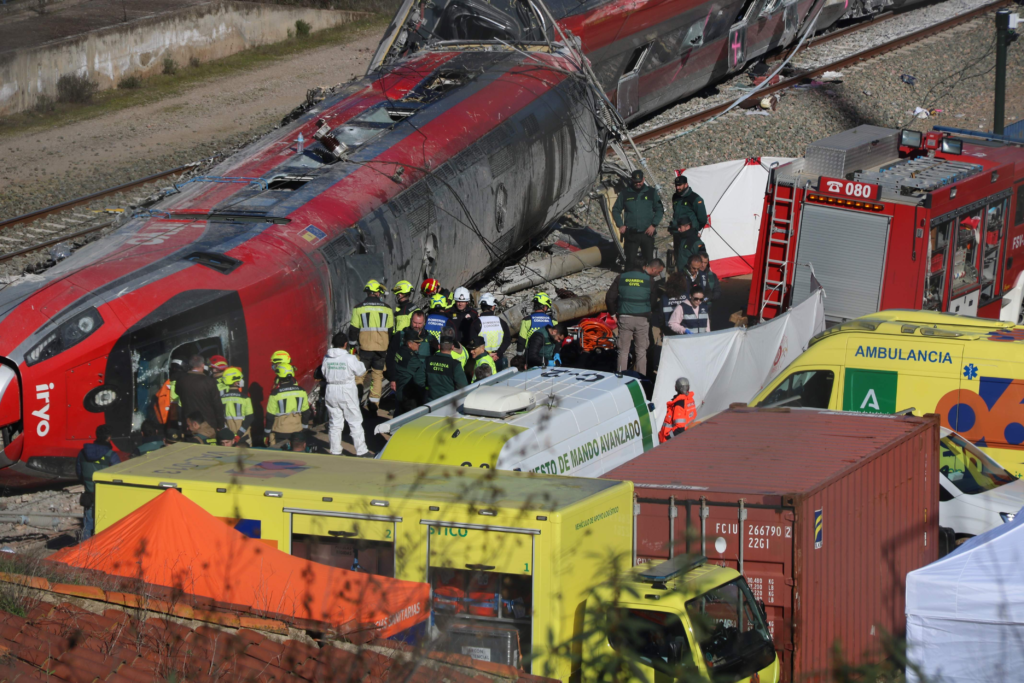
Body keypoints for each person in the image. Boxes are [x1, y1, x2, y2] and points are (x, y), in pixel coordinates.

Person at [606, 258, 664, 375]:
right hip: (642, 319)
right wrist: (648, 311)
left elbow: (609, 298)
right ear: (644, 267)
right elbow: (653, 301)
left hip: (625, 318)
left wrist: (613, 314)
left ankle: (620, 378)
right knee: (641, 352)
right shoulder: (649, 280)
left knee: (623, 351)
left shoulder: (621, 277)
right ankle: (641, 379)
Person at [322, 333, 369, 457]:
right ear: (345, 344)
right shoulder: (350, 358)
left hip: (331, 389)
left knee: (334, 422)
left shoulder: (327, 357)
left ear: (333, 343)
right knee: (354, 421)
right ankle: (362, 451)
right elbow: (361, 370)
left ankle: (335, 450)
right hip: (346, 390)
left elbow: (323, 372)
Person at [349, 279, 393, 406]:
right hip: (381, 349)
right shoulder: (387, 309)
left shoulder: (358, 308)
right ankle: (374, 403)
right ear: (377, 293)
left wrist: (352, 345)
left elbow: (353, 330)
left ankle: (356, 401)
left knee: (359, 375)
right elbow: (390, 331)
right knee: (377, 376)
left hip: (365, 348)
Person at [611, 169, 664, 271]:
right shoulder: (625, 193)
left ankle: (648, 282)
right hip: (631, 234)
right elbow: (616, 210)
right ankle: (628, 282)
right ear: (632, 180)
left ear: (644, 179)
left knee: (648, 260)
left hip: (647, 233)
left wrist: (653, 225)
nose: (638, 184)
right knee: (630, 261)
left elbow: (659, 209)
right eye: (636, 182)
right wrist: (620, 225)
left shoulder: (651, 192)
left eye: (640, 181)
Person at [76, 425, 120, 541]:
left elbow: (79, 473)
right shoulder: (112, 455)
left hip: (89, 495)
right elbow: (118, 477)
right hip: (107, 498)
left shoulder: (82, 453)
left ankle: (84, 552)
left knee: (88, 525)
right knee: (105, 526)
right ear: (109, 438)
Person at [175, 355, 225, 441]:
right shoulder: (209, 382)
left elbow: (177, 392)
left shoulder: (181, 381)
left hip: (188, 424)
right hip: (207, 425)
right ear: (203, 365)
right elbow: (217, 405)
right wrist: (220, 424)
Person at [266, 364, 313, 446]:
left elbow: (269, 416)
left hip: (280, 431)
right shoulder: (301, 391)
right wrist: (304, 427)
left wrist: (266, 432)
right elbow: (306, 412)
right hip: (297, 429)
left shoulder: (275, 394)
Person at [392, 330, 428, 413]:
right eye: (417, 342)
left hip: (400, 390)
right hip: (408, 395)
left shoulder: (400, 351)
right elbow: (422, 371)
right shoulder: (411, 358)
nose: (419, 344)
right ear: (409, 343)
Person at [426, 335, 468, 401]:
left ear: (439, 346)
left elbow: (419, 380)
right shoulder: (455, 364)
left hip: (431, 401)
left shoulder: (428, 360)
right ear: (452, 347)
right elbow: (463, 386)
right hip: (449, 402)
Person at [220, 367, 255, 446]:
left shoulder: (222, 399)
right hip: (244, 437)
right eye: (239, 379)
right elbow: (250, 418)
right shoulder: (245, 398)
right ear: (236, 383)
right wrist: (239, 434)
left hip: (228, 438)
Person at [476, 293, 511, 370]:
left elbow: (473, 341)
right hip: (498, 358)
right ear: (493, 307)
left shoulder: (476, 322)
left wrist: (487, 353)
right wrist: (498, 354)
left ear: (481, 307)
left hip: (482, 358)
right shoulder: (501, 322)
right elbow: (507, 339)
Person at [658, 377, 697, 442]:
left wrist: (668, 437)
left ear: (676, 388)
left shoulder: (679, 404)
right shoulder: (689, 400)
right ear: (688, 387)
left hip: (669, 441)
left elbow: (680, 428)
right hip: (686, 435)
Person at [658, 272, 690, 338]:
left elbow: (661, 316)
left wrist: (662, 329)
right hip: (684, 329)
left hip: (668, 329)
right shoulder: (686, 296)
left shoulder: (664, 297)